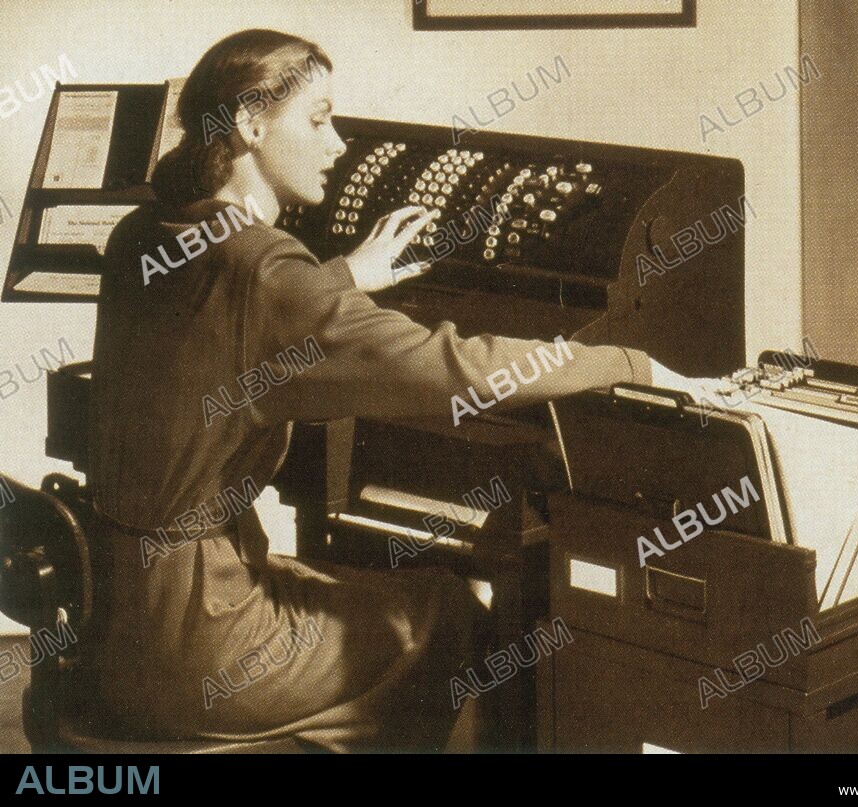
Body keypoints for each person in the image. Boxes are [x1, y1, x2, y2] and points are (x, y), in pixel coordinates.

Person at [79, 28, 710, 753]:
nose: (338, 144)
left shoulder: (143, 234)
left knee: (361, 585)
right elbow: (457, 367)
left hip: (115, 627)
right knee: (447, 610)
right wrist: (633, 367)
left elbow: (236, 320)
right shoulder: (266, 271)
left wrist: (343, 276)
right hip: (201, 646)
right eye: (318, 119)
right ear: (250, 125)